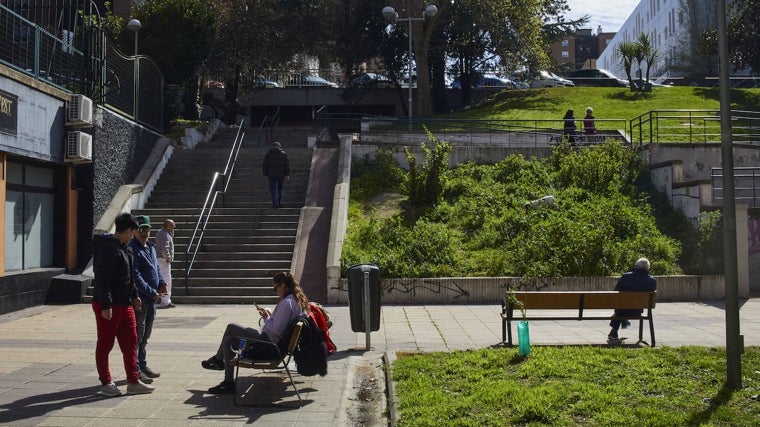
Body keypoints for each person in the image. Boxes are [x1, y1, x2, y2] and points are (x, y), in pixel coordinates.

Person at [201, 272, 309, 394]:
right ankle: (228, 382)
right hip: (275, 343)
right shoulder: (295, 300)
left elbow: (277, 330)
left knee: (231, 327)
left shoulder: (286, 303)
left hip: (269, 344)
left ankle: (218, 360)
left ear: (283, 285)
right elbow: (280, 325)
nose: (275, 291)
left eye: (275, 288)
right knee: (228, 340)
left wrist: (267, 318)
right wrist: (268, 316)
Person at [91, 213, 154, 396]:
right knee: (105, 344)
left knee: (130, 342)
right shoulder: (107, 248)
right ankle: (106, 383)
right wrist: (106, 305)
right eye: (133, 231)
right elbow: (102, 279)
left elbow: (129, 277)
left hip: (125, 304)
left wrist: (134, 295)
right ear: (128, 230)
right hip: (108, 306)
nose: (134, 235)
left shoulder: (126, 248)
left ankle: (133, 381)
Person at [129, 215, 167, 385]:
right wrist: (152, 291)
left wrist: (162, 283)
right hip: (141, 299)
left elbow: (156, 268)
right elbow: (135, 275)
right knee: (137, 336)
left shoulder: (150, 247)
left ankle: (143, 365)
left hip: (152, 299)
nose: (144, 232)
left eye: (146, 228)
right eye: (140, 229)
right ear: (135, 230)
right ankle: (135, 369)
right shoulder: (132, 249)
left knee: (145, 335)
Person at [608, 257, 657, 340]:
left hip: (622, 309)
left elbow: (616, 292)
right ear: (648, 268)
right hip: (637, 310)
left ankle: (616, 328)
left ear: (636, 266)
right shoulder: (652, 280)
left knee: (621, 310)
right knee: (625, 307)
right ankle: (624, 321)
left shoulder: (626, 276)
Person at [154, 218, 176, 308]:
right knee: (166, 280)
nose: (174, 226)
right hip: (163, 260)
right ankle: (165, 301)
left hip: (160, 259)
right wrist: (168, 258)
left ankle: (165, 300)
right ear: (167, 226)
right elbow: (165, 248)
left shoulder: (163, 233)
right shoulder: (164, 234)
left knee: (164, 279)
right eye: (172, 225)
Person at [262, 141, 290, 209]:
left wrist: (265, 174)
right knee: (280, 188)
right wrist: (287, 174)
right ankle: (280, 201)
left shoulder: (268, 154)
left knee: (273, 190)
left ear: (272, 146)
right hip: (281, 175)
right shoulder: (283, 154)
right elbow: (286, 165)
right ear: (279, 147)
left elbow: (265, 165)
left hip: (271, 175)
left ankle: (275, 203)